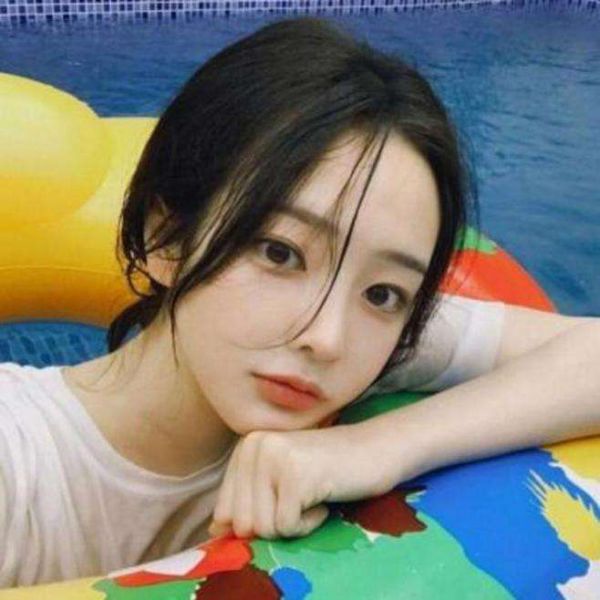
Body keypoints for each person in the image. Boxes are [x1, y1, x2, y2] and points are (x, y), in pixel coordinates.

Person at [1, 15, 598, 589]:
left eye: (383, 292)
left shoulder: (374, 348)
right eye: (280, 253)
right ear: (167, 240)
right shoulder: (19, 459)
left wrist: (379, 446)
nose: (328, 338)